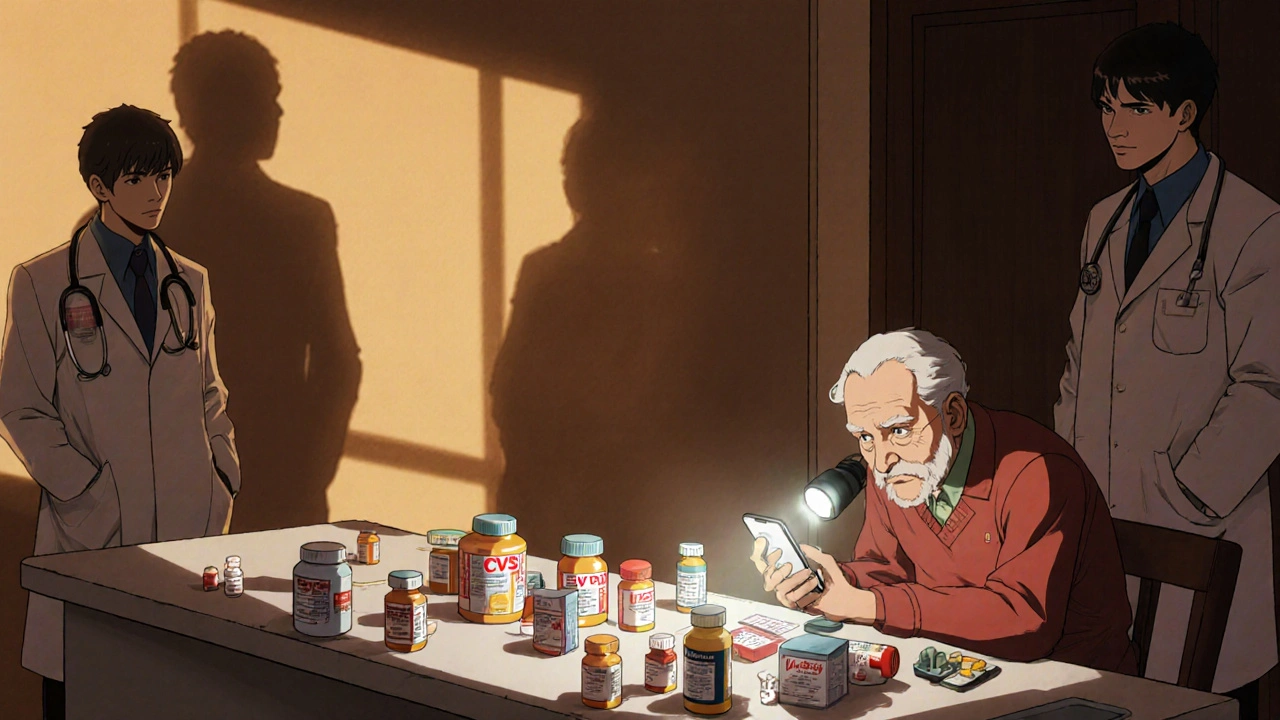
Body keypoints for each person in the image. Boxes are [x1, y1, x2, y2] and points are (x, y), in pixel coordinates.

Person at [1054, 23, 1280, 712]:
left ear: (1184, 114)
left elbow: (1268, 386)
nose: (1114, 127)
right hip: (1104, 526)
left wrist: (1189, 491)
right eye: (1106, 107)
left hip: (1198, 530)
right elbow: (1079, 363)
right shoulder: (1104, 221)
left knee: (1196, 697)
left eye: (1136, 108)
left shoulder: (1253, 225)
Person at [0, 105, 240, 720]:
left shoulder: (190, 280)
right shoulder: (43, 282)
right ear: (100, 187)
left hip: (187, 527)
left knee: (178, 690)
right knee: (89, 690)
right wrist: (86, 493)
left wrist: (220, 476)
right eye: (136, 179)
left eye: (163, 176)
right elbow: (20, 406)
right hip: (93, 531)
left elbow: (208, 392)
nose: (156, 193)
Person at [751, 330, 1137, 673]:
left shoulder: (1038, 471)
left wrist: (866, 606)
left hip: (1073, 685)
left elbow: (1025, 621)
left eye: (899, 429)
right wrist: (829, 582)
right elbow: (886, 570)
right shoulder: (895, 465)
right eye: (865, 437)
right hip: (954, 667)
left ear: (952, 414)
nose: (881, 460)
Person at [159, 30, 361, 534]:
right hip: (273, 484)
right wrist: (307, 479)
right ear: (234, 106)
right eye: (269, 98)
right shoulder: (300, 221)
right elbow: (339, 362)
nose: (279, 113)